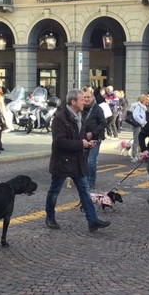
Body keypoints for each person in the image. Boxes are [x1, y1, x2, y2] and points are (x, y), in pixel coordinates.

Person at [44, 88, 111, 232]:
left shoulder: (80, 116)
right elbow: (59, 142)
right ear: (73, 102)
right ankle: (50, 217)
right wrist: (81, 143)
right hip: (62, 161)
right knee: (54, 190)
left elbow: (79, 137)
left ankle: (92, 221)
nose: (84, 102)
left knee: (85, 191)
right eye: (81, 99)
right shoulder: (60, 118)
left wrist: (87, 142)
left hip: (77, 161)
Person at [81, 86, 106, 189]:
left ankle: (91, 182)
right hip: (83, 138)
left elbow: (103, 123)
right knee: (83, 160)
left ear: (92, 98)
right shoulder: (81, 108)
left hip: (95, 138)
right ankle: (84, 180)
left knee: (91, 161)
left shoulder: (97, 109)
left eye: (88, 97)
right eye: (84, 97)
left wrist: (93, 132)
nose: (86, 99)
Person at [130, 94, 149, 162]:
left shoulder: (141, 106)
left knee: (138, 140)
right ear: (143, 100)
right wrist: (143, 122)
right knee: (136, 140)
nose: (148, 102)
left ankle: (138, 154)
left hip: (139, 125)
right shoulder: (138, 107)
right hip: (137, 125)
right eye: (146, 100)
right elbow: (136, 116)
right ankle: (134, 155)